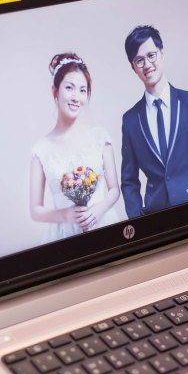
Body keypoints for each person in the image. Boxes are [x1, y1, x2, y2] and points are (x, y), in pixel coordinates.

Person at [120, 25, 188, 217]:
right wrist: (138, 220)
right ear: (133, 67)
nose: (147, 65)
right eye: (139, 60)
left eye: (151, 55)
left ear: (162, 54)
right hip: (156, 215)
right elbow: (129, 180)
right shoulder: (130, 120)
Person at [30, 52, 120, 242]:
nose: (76, 97)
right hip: (63, 235)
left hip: (102, 223)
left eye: (82, 90)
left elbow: (114, 190)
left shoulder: (100, 137)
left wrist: (97, 211)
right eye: (69, 88)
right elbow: (35, 210)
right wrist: (67, 215)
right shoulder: (41, 149)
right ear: (55, 91)